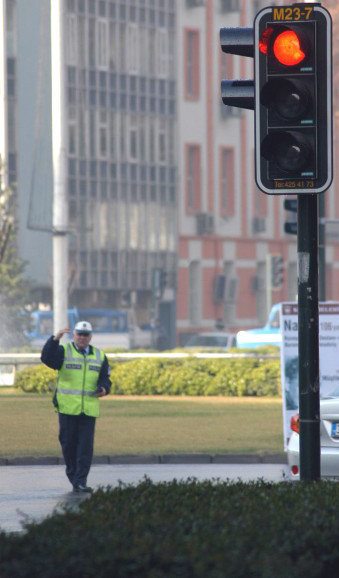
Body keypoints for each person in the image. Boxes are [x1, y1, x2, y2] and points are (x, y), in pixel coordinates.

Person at [41, 320, 111, 493]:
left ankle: (80, 481)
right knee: (68, 445)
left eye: (85, 335)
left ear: (90, 337)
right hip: (67, 408)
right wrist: (55, 338)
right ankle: (73, 476)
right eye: (79, 334)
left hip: (88, 409)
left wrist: (104, 388)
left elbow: (105, 378)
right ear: (74, 335)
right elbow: (47, 358)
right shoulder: (64, 351)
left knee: (85, 447)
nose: (82, 337)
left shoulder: (100, 355)